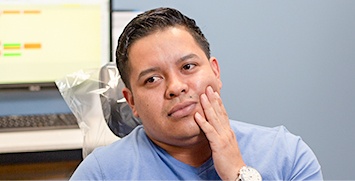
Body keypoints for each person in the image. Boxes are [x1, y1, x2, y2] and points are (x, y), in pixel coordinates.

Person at [70, 7, 323, 180]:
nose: (176, 87)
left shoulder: (287, 155)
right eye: (152, 79)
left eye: (188, 67)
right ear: (132, 101)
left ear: (215, 72)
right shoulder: (100, 173)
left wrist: (238, 173)